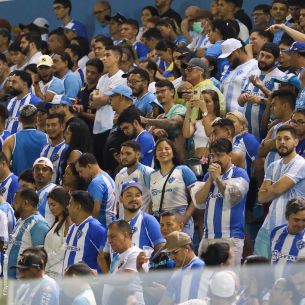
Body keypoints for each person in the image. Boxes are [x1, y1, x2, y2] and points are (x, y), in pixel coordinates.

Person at [195, 138, 250, 264]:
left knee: (229, 278)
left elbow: (231, 197)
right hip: (208, 237)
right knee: (206, 279)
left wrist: (218, 178)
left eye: (219, 155)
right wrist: (210, 179)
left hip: (231, 237)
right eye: (212, 155)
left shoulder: (240, 173)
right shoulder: (208, 176)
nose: (215, 159)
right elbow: (198, 201)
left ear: (230, 155)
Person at [256, 125, 305, 257]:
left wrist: (270, 190)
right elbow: (261, 197)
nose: (282, 142)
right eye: (278, 139)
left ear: (296, 141)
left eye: (286, 138)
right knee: (261, 271)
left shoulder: (301, 163)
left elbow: (277, 189)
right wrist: (271, 191)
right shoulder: (273, 166)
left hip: (290, 227)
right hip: (269, 225)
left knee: (283, 272)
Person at [149, 138, 197, 237]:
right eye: (159, 149)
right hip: (159, 220)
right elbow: (152, 200)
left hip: (179, 217)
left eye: (167, 148)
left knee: (181, 250)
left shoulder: (183, 170)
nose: (163, 151)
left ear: (173, 152)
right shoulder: (152, 175)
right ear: (155, 155)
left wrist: (185, 217)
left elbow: (197, 197)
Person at [238, 43, 285, 139]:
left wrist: (261, 100)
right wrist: (242, 98)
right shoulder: (252, 73)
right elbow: (240, 103)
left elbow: (283, 107)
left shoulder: (281, 78)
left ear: (276, 60)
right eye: (262, 55)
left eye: (268, 57)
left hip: (267, 134)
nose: (263, 59)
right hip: (246, 132)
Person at [90, 45, 126, 167]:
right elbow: (92, 103)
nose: (103, 58)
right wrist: (98, 98)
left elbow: (106, 99)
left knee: (108, 164)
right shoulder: (102, 79)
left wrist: (98, 98)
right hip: (97, 127)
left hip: (110, 126)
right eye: (103, 55)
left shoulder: (121, 77)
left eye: (107, 55)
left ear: (117, 57)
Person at [6, 188, 49, 278]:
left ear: (25, 203)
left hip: (24, 282)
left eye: (16, 202)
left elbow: (40, 258)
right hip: (9, 280)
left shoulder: (38, 224)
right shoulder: (20, 220)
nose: (13, 205)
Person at [141, 80, 187, 161]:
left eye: (163, 91)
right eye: (157, 92)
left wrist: (147, 120)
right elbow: (148, 136)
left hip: (180, 162)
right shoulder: (160, 117)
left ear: (172, 92)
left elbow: (173, 123)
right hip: (163, 162)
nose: (160, 95)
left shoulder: (180, 108)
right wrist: (155, 131)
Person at [102, 220, 144, 305]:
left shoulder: (136, 254)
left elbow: (125, 280)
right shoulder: (119, 256)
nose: (109, 241)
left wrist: (97, 279)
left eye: (113, 237)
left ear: (125, 235)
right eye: (108, 237)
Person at [63, 190, 107, 273]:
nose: (67, 207)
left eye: (70, 204)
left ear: (78, 207)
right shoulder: (72, 227)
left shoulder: (97, 229)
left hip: (87, 285)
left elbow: (106, 257)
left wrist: (97, 276)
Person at [158, 231, 204, 305]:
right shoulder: (177, 272)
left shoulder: (198, 266)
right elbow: (165, 301)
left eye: (175, 252)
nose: (172, 257)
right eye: (169, 253)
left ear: (187, 249)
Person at [3, 104, 48, 176]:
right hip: (41, 184)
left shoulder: (10, 141)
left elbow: (3, 168)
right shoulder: (47, 138)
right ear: (36, 119)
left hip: (19, 184)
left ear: (20, 119)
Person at [75, 153, 116, 227]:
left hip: (102, 226)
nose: (80, 175)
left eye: (80, 171)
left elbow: (95, 210)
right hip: (110, 224)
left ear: (88, 166)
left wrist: (87, 227)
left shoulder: (96, 182)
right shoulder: (107, 177)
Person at [259, 89, 296, 170]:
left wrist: (266, 143)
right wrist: (271, 144)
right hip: (269, 175)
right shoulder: (274, 127)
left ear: (285, 105)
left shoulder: (294, 125)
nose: (271, 108)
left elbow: (275, 144)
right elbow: (261, 151)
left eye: (274, 105)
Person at [219, 38, 259, 113]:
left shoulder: (254, 66)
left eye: (230, 56)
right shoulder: (230, 69)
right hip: (227, 119)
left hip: (241, 118)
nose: (228, 59)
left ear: (238, 50)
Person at [115, 141, 154, 214]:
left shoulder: (148, 172)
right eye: (122, 153)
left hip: (141, 222)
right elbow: (118, 201)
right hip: (124, 222)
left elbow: (155, 199)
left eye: (128, 153)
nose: (123, 157)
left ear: (138, 154)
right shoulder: (120, 174)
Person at [270, 197, 305, 278]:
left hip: (295, 288)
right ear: (287, 217)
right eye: (296, 220)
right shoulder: (276, 232)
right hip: (275, 286)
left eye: (304, 220)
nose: (300, 224)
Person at [183, 89, 221, 159]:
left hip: (211, 159)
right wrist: (188, 111)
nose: (204, 103)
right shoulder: (196, 122)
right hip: (196, 160)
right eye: (202, 101)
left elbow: (209, 133)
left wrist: (204, 109)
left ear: (215, 103)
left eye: (207, 101)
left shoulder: (220, 121)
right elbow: (186, 134)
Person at [44, 187, 72, 279]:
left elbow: (65, 247)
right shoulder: (56, 223)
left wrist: (45, 261)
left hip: (57, 273)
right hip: (48, 270)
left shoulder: (68, 221)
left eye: (53, 204)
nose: (51, 208)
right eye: (49, 205)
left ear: (63, 204)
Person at [76, 58, 103, 133]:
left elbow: (97, 117)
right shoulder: (82, 89)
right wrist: (75, 107)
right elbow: (75, 103)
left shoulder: (99, 92)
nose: (89, 75)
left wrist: (81, 113)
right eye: (87, 71)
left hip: (91, 132)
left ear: (100, 74)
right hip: (78, 130)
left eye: (93, 73)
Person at [40, 113, 67, 184]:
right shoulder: (44, 148)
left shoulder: (67, 149)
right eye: (48, 125)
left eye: (53, 125)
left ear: (62, 127)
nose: (50, 128)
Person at [33, 157, 57, 227]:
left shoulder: (56, 191)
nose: (40, 172)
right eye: (37, 169)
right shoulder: (33, 194)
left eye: (44, 169)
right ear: (33, 173)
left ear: (51, 174)